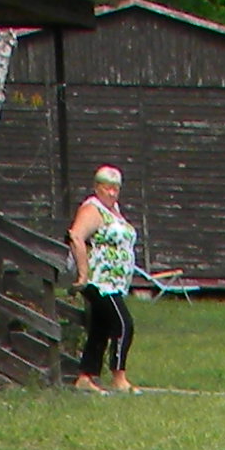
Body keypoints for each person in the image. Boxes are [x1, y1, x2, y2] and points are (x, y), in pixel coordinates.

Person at [68, 164, 139, 393]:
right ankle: (119, 377)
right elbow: (76, 236)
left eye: (116, 188)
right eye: (107, 188)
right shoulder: (92, 209)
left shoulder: (114, 210)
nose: (112, 193)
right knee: (123, 324)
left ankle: (85, 377)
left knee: (100, 327)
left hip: (113, 282)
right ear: (97, 187)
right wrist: (82, 273)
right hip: (99, 280)